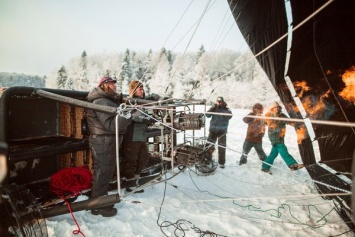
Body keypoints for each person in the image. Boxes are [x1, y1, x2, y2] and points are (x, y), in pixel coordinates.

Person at [86, 76, 134, 217]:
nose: (115, 86)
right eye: (112, 84)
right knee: (103, 172)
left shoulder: (106, 100)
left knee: (103, 172)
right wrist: (126, 116)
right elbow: (112, 125)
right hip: (104, 142)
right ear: (105, 85)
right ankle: (99, 205)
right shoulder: (101, 101)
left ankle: (96, 203)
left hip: (106, 141)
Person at [120, 80, 157, 192]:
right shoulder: (129, 102)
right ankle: (129, 184)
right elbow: (131, 117)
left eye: (143, 89)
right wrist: (146, 120)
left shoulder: (142, 101)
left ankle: (135, 180)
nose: (142, 91)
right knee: (131, 160)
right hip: (132, 135)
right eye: (140, 89)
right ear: (134, 90)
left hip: (141, 135)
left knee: (144, 158)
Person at [261, 102, 304, 174]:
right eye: (275, 107)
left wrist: (297, 125)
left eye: (278, 107)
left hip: (281, 136)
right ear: (272, 108)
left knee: (274, 153)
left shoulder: (282, 115)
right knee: (283, 149)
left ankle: (265, 167)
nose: (277, 109)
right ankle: (292, 164)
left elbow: (289, 121)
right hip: (274, 136)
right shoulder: (268, 115)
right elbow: (263, 124)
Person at [205, 96, 232, 168]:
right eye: (218, 102)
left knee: (222, 147)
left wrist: (222, 108)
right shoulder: (214, 108)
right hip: (213, 130)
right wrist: (213, 108)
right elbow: (207, 115)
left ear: (223, 102)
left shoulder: (227, 109)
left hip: (222, 131)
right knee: (208, 146)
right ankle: (207, 160)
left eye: (220, 102)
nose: (219, 103)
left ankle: (221, 163)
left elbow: (229, 116)